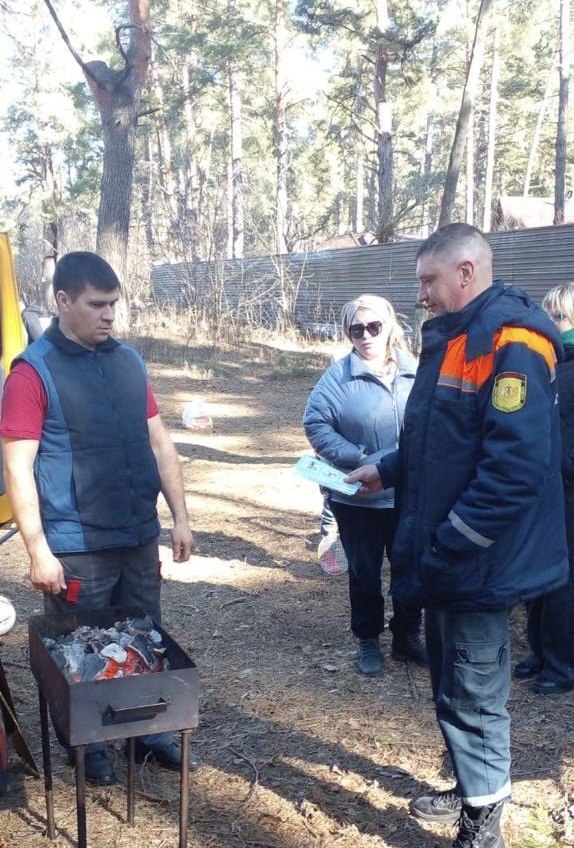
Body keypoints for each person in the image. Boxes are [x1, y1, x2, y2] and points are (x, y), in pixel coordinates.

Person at [346, 224, 569, 848]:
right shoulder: (453, 336)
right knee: (451, 681)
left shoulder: (512, 342)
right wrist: (385, 469)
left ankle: (484, 824)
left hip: (478, 560)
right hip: (447, 555)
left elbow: (516, 466)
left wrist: (451, 541)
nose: (421, 295)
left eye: (428, 281)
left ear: (466, 271)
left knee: (473, 690)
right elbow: (432, 436)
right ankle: (470, 786)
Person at [0, 251, 195, 787]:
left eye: (114, 305)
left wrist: (179, 516)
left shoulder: (130, 361)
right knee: (80, 650)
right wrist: (38, 550)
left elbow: (160, 441)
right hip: (77, 543)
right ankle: (90, 743)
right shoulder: (31, 373)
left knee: (144, 637)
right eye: (98, 305)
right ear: (63, 302)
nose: (110, 315)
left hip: (136, 534)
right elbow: (18, 469)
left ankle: (147, 732)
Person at [303, 294, 426, 675]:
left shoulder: (415, 370)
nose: (366, 335)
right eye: (356, 329)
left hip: (408, 495)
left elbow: (433, 422)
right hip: (359, 499)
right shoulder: (339, 376)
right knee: (365, 574)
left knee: (409, 571)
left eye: (374, 326)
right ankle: (368, 640)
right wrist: (358, 457)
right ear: (348, 333)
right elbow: (316, 423)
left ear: (390, 325)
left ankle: (407, 636)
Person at [512, 283, 574, 695]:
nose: (548, 324)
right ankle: (539, 651)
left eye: (557, 317)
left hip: (567, 489)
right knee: (536, 573)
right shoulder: (551, 362)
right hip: (541, 487)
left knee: (563, 581)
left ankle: (563, 664)